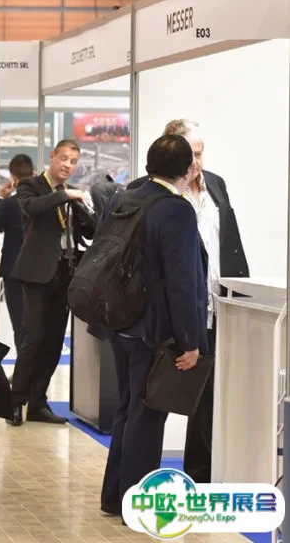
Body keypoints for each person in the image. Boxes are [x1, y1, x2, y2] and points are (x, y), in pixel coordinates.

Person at [127, 119, 249, 483]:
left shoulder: (216, 185)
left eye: (200, 153)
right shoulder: (153, 193)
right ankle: (133, 488)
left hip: (214, 305)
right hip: (169, 314)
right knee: (153, 402)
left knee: (206, 398)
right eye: (191, 154)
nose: (197, 162)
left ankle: (200, 476)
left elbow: (227, 241)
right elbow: (173, 271)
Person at [100, 134, 208, 516]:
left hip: (120, 323)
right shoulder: (176, 210)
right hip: (154, 330)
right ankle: (137, 503)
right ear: (187, 169)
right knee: (147, 415)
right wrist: (190, 340)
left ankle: (115, 497)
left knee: (127, 409)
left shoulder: (124, 198)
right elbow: (182, 282)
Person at [8, 140, 96, 426]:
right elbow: (31, 208)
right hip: (36, 274)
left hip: (65, 273)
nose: (68, 165)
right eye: (64, 159)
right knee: (34, 338)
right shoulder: (31, 186)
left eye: (73, 161)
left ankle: (38, 402)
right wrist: (65, 195)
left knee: (54, 342)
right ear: (52, 157)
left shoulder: (71, 194)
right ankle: (16, 401)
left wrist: (89, 209)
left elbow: (88, 231)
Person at [0, 154, 34, 411]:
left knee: (20, 326)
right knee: (34, 328)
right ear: (34, 174)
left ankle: (23, 377)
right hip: (36, 272)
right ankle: (27, 377)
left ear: (12, 177)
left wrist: (1, 198)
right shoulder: (38, 202)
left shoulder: (10, 204)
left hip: (14, 272)